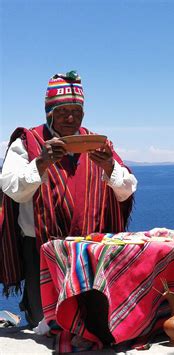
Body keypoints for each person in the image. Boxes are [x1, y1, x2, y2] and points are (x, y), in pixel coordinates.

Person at [0, 71, 137, 328]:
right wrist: (41, 162)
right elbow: (12, 188)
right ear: (49, 113)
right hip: (43, 249)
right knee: (48, 323)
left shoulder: (97, 142)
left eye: (77, 111)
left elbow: (127, 189)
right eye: (63, 112)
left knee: (92, 321)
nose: (71, 118)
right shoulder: (27, 142)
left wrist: (109, 166)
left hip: (91, 250)